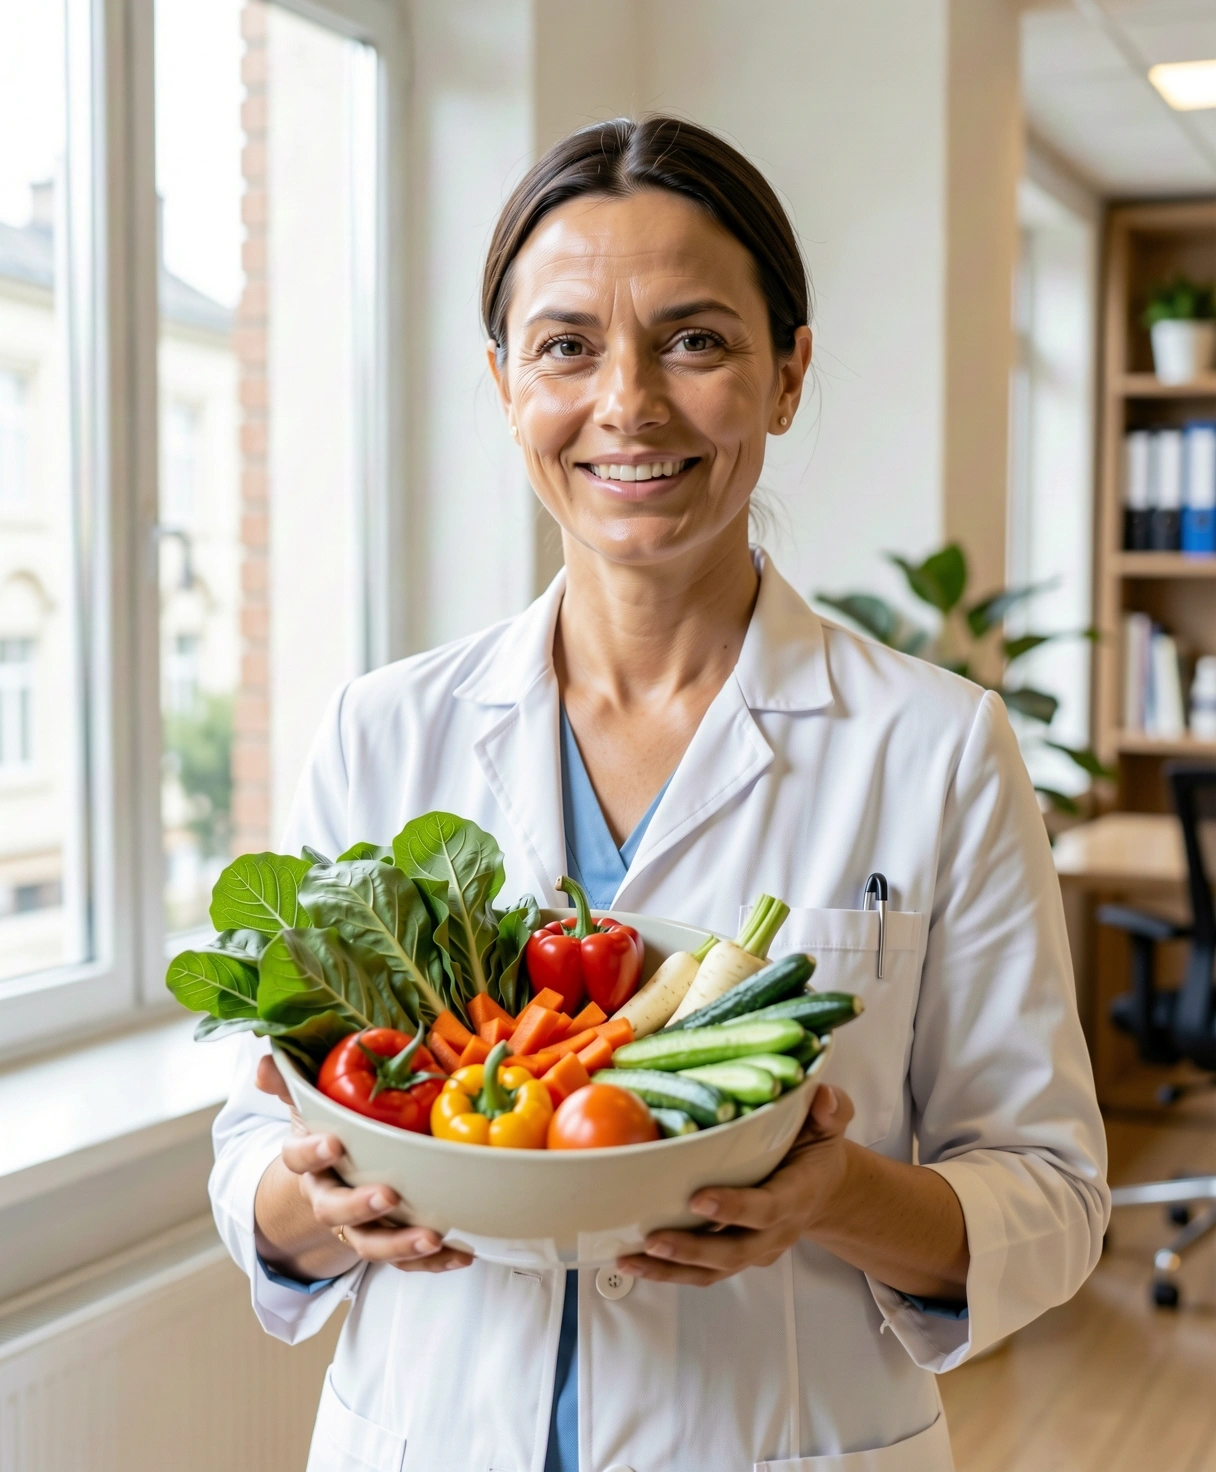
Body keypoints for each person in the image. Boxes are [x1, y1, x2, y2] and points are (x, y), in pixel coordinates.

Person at [210, 116, 1109, 1472]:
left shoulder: (936, 747)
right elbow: (254, 1147)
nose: (627, 402)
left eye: (695, 340)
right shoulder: (382, 731)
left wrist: (835, 1196)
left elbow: (1052, 1199)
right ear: (507, 383)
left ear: (787, 372)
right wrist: (320, 1204)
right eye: (567, 345)